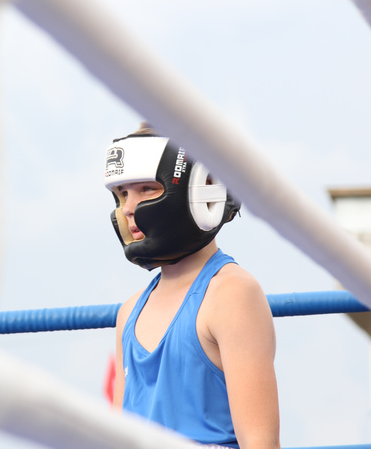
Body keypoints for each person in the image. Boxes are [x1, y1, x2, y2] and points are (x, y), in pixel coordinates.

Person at [104, 123, 280, 449]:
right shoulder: (128, 312)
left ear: (202, 189)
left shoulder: (232, 294)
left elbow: (260, 442)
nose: (128, 207)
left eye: (147, 189)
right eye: (123, 193)